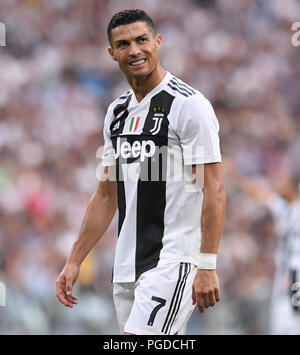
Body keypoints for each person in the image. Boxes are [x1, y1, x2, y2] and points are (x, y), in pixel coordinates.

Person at [56, 9, 226, 335]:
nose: (134, 50)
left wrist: (207, 263)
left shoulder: (189, 105)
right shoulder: (116, 112)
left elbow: (214, 187)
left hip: (172, 260)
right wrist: (74, 260)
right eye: (123, 44)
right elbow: (106, 194)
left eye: (141, 40)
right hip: (126, 268)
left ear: (157, 42)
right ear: (112, 53)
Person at [223, 157, 300, 335]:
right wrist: (233, 174)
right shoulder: (285, 209)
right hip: (284, 282)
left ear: (293, 185)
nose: (278, 182)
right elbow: (259, 193)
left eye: (283, 179)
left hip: (296, 278)